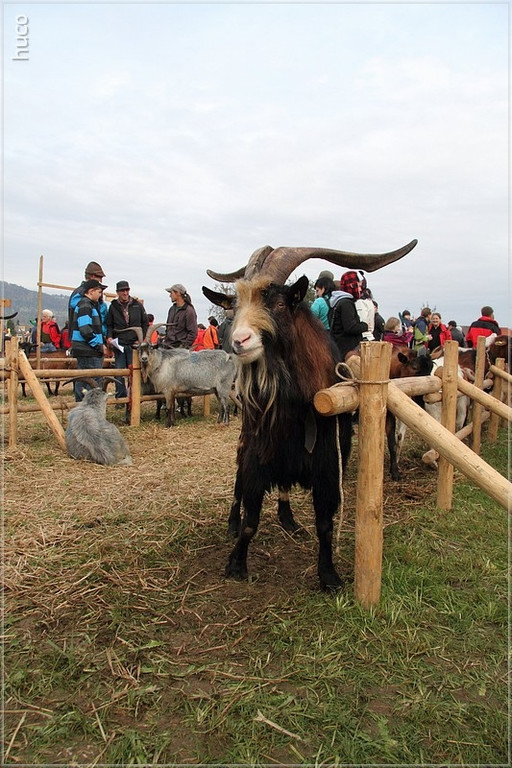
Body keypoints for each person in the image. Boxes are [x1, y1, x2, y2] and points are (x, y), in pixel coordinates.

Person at [106, 280, 149, 401]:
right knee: (119, 373)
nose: (125, 293)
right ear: (117, 292)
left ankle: (133, 397)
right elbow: (109, 325)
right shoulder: (113, 306)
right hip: (119, 344)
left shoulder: (137, 305)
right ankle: (121, 398)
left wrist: (141, 339)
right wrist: (109, 337)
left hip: (134, 344)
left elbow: (145, 323)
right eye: (122, 291)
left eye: (127, 290)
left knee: (134, 372)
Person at [70, 278, 107, 401]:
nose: (100, 295)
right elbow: (85, 329)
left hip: (85, 349)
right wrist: (98, 345)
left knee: (83, 379)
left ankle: (82, 405)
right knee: (92, 380)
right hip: (88, 350)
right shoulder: (86, 305)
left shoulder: (86, 305)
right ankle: (89, 406)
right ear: (91, 291)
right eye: (99, 292)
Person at [329, 270, 368, 361]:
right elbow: (350, 327)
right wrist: (364, 326)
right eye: (358, 286)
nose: (360, 289)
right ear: (352, 286)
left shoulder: (338, 302)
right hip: (346, 351)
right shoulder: (346, 303)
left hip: (339, 348)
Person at [68, 261, 107, 332]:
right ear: (93, 276)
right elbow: (84, 324)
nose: (101, 281)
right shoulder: (81, 294)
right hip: (84, 337)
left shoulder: (80, 292)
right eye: (100, 277)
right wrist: (94, 337)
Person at [163, 284, 198, 349]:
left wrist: (184, 347)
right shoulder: (172, 309)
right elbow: (168, 328)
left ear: (178, 293)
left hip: (180, 350)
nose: (170, 295)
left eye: (171, 293)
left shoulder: (189, 310)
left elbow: (193, 333)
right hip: (168, 346)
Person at [355, 273, 375, 341]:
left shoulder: (360, 302)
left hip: (363, 337)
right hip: (367, 336)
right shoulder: (368, 300)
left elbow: (363, 321)